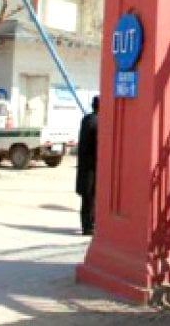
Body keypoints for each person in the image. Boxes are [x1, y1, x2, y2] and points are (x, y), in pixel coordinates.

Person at [75, 95, 99, 236]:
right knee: (91, 196)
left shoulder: (87, 119)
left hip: (85, 164)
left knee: (87, 197)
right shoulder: (97, 122)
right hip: (92, 165)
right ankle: (89, 226)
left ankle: (87, 224)